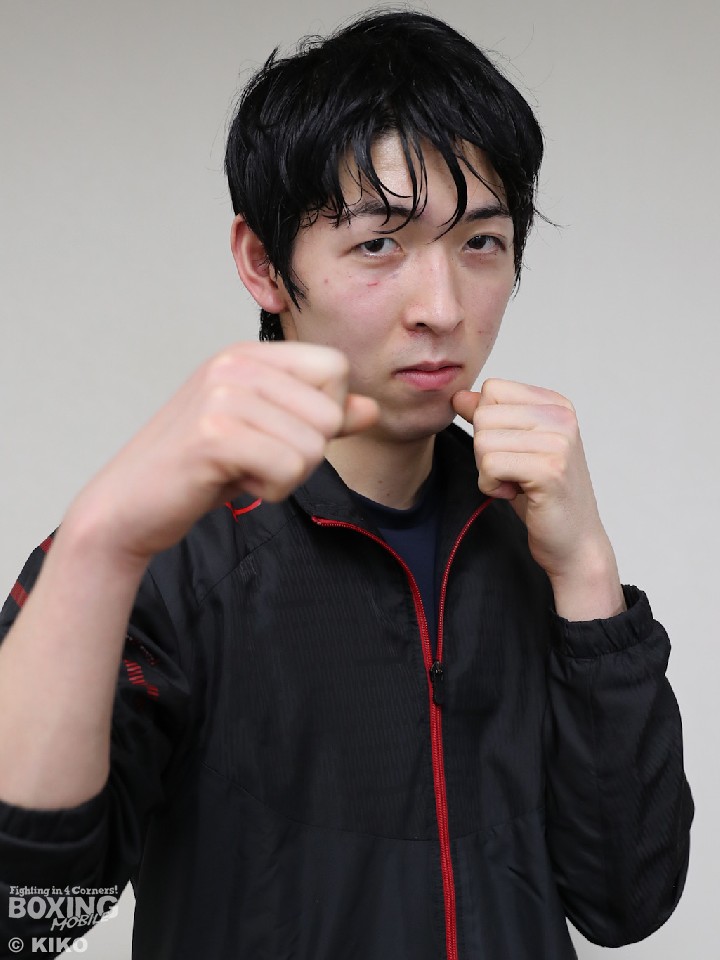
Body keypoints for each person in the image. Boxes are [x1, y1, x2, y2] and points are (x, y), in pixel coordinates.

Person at [0, 9, 693, 960]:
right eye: (378, 245)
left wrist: (587, 573)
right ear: (264, 265)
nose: (441, 308)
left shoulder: (533, 537)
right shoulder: (164, 556)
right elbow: (25, 912)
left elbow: (628, 900)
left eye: (481, 243)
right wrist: (100, 547)